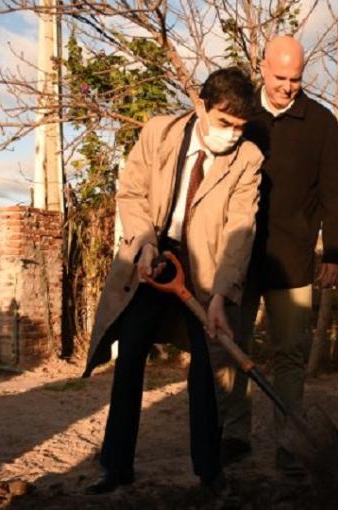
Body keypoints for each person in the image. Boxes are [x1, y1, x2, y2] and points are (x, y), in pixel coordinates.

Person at [81, 67, 263, 495]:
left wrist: (220, 296)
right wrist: (144, 243)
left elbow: (241, 229)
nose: (232, 135)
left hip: (202, 271)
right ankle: (117, 465)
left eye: (240, 127)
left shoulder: (249, 160)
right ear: (200, 105)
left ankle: (209, 470)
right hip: (152, 261)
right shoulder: (159, 133)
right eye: (224, 123)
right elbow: (131, 190)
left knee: (205, 368)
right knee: (130, 362)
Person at [214, 35, 338, 475]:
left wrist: (336, 252)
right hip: (238, 255)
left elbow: (335, 193)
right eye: (279, 78)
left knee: (290, 353)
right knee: (234, 349)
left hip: (292, 261)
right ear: (262, 67)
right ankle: (234, 435)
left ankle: (288, 442)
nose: (288, 87)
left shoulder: (321, 122)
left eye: (296, 79)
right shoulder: (241, 116)